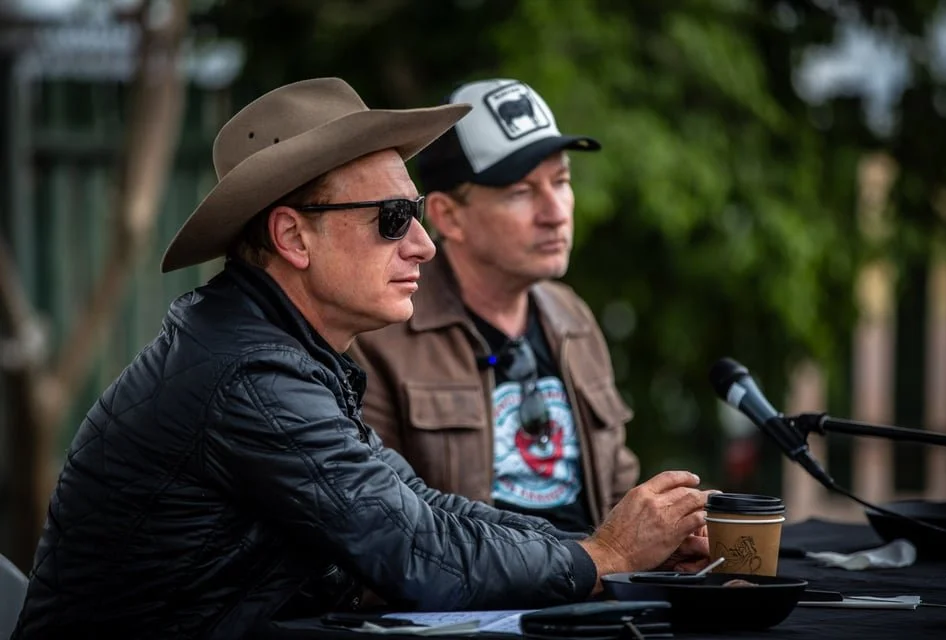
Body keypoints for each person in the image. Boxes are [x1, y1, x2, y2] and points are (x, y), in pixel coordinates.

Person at [13, 78, 710, 639]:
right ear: (293, 237)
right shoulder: (250, 373)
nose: (424, 246)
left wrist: (608, 544)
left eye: (417, 214)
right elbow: (417, 553)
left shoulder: (273, 348)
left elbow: (421, 507)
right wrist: (605, 557)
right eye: (392, 219)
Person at [350, 79, 639, 534]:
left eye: (561, 181)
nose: (555, 213)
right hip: (476, 576)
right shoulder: (378, 334)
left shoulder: (573, 316)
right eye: (521, 192)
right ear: (448, 217)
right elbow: (390, 523)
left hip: (603, 574)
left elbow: (618, 489)